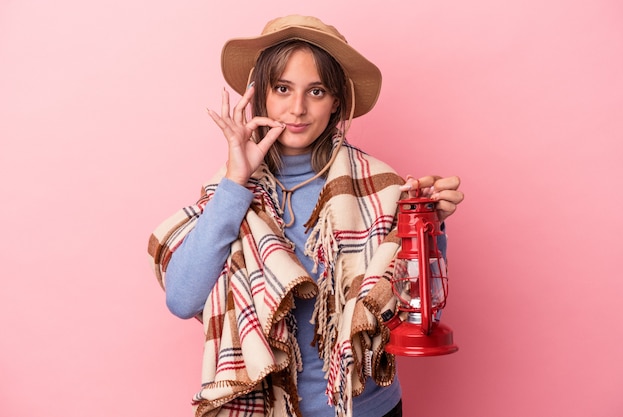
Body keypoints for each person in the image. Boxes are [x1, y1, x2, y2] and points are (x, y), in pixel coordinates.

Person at [147, 15, 463, 417]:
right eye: (282, 89)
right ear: (259, 94)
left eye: (316, 91)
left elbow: (413, 306)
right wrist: (236, 182)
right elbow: (182, 298)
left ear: (336, 102)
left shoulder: (382, 188)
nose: (297, 109)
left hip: (367, 409)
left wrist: (430, 223)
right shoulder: (231, 191)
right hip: (267, 407)